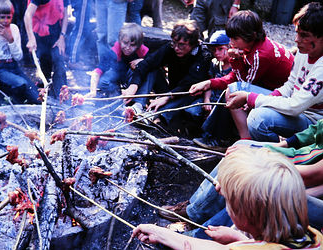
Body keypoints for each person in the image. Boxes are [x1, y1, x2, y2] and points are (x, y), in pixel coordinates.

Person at [133, 147, 323, 249]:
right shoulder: (312, 235)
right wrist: (238, 238)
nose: (220, 192)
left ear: (245, 218)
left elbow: (192, 246)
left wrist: (159, 233)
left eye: (229, 201)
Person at [189, 10, 294, 147]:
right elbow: (238, 77)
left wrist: (234, 59)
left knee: (233, 92)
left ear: (251, 35)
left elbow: (242, 83)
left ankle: (245, 140)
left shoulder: (260, 55)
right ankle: (219, 136)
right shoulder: (254, 45)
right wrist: (209, 83)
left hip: (285, 97)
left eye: (235, 39)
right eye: (230, 38)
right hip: (273, 88)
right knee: (231, 92)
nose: (231, 43)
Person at [225, 2, 323, 142]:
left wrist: (252, 98)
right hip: (294, 107)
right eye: (297, 33)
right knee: (234, 89)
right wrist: (270, 97)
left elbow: (295, 106)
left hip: (312, 121)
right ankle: (246, 140)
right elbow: (290, 86)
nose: (296, 40)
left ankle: (276, 152)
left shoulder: (321, 68)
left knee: (258, 119)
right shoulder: (305, 52)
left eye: (304, 35)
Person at [129, 19, 212, 125]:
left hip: (187, 94)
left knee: (191, 92)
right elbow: (147, 63)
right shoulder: (171, 48)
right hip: (171, 89)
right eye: (174, 43)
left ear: (193, 44)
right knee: (152, 69)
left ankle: (153, 115)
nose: (177, 48)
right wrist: (133, 86)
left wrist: (167, 97)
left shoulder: (204, 54)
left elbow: (189, 83)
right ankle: (138, 105)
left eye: (182, 45)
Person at [0, 0, 39, 104]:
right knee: (20, 84)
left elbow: (18, 57)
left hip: (13, 66)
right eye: (2, 17)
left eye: (8, 17)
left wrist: (10, 39)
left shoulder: (14, 29)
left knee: (36, 96)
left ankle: (15, 99)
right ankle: (3, 99)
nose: (5, 20)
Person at [87, 23, 155, 113]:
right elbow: (97, 72)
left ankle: (138, 104)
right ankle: (117, 97)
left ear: (138, 45)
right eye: (125, 43)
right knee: (104, 80)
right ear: (120, 40)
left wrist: (142, 61)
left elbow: (154, 63)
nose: (127, 48)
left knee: (150, 70)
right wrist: (93, 91)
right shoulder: (115, 50)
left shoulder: (141, 50)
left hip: (134, 80)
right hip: (120, 77)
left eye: (132, 45)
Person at [194, 30, 237, 150]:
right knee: (193, 112)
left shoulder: (236, 66)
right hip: (211, 98)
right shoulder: (214, 64)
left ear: (230, 47)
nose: (216, 53)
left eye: (220, 49)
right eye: (214, 50)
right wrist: (207, 99)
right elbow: (210, 83)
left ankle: (217, 139)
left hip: (224, 103)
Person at [24, 0, 69, 98]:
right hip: (40, 34)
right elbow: (27, 15)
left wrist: (62, 37)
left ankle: (61, 99)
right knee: (45, 68)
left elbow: (66, 15)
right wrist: (31, 38)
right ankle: (45, 97)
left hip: (56, 33)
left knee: (59, 64)